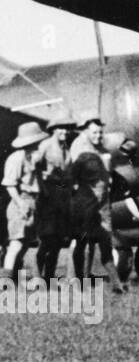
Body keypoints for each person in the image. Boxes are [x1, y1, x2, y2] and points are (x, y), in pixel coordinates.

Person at [67, 117, 126, 293]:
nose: (99, 135)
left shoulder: (102, 150)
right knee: (83, 242)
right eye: (94, 132)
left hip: (103, 203)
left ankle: (105, 283)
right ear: (85, 132)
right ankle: (75, 280)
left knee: (101, 241)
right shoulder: (81, 147)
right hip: (88, 203)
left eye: (101, 132)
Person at [3, 121, 47, 283]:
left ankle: (13, 277)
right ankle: (5, 281)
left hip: (33, 202)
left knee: (25, 244)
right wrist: (21, 204)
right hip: (20, 202)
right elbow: (10, 185)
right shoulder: (16, 158)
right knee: (15, 245)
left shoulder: (35, 158)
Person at [33, 116, 76, 282]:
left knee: (58, 241)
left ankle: (49, 278)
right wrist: (42, 186)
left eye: (67, 128)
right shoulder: (46, 145)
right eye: (61, 128)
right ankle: (37, 278)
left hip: (63, 198)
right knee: (46, 240)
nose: (64, 131)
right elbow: (34, 166)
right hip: (49, 198)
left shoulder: (66, 147)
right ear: (54, 129)